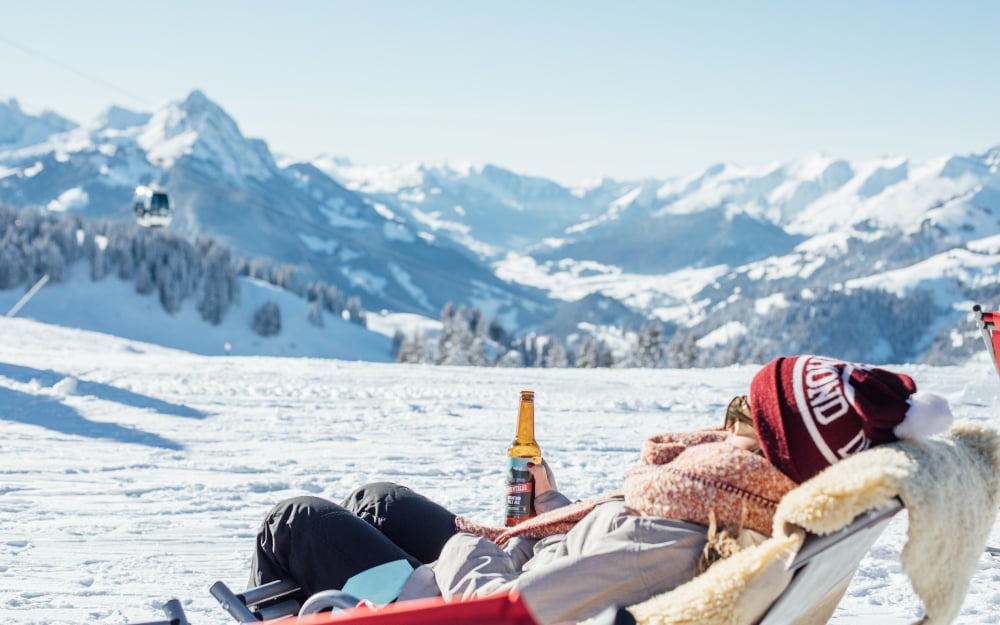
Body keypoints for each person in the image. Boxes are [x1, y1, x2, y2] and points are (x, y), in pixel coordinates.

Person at [248, 355, 953, 625]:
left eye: (744, 412)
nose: (725, 417)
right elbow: (601, 554)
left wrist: (472, 543)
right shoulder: (731, 508)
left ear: (765, 449)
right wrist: (552, 510)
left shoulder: (673, 540)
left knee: (294, 521)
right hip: (531, 566)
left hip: (454, 600)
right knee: (378, 497)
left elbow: (511, 613)